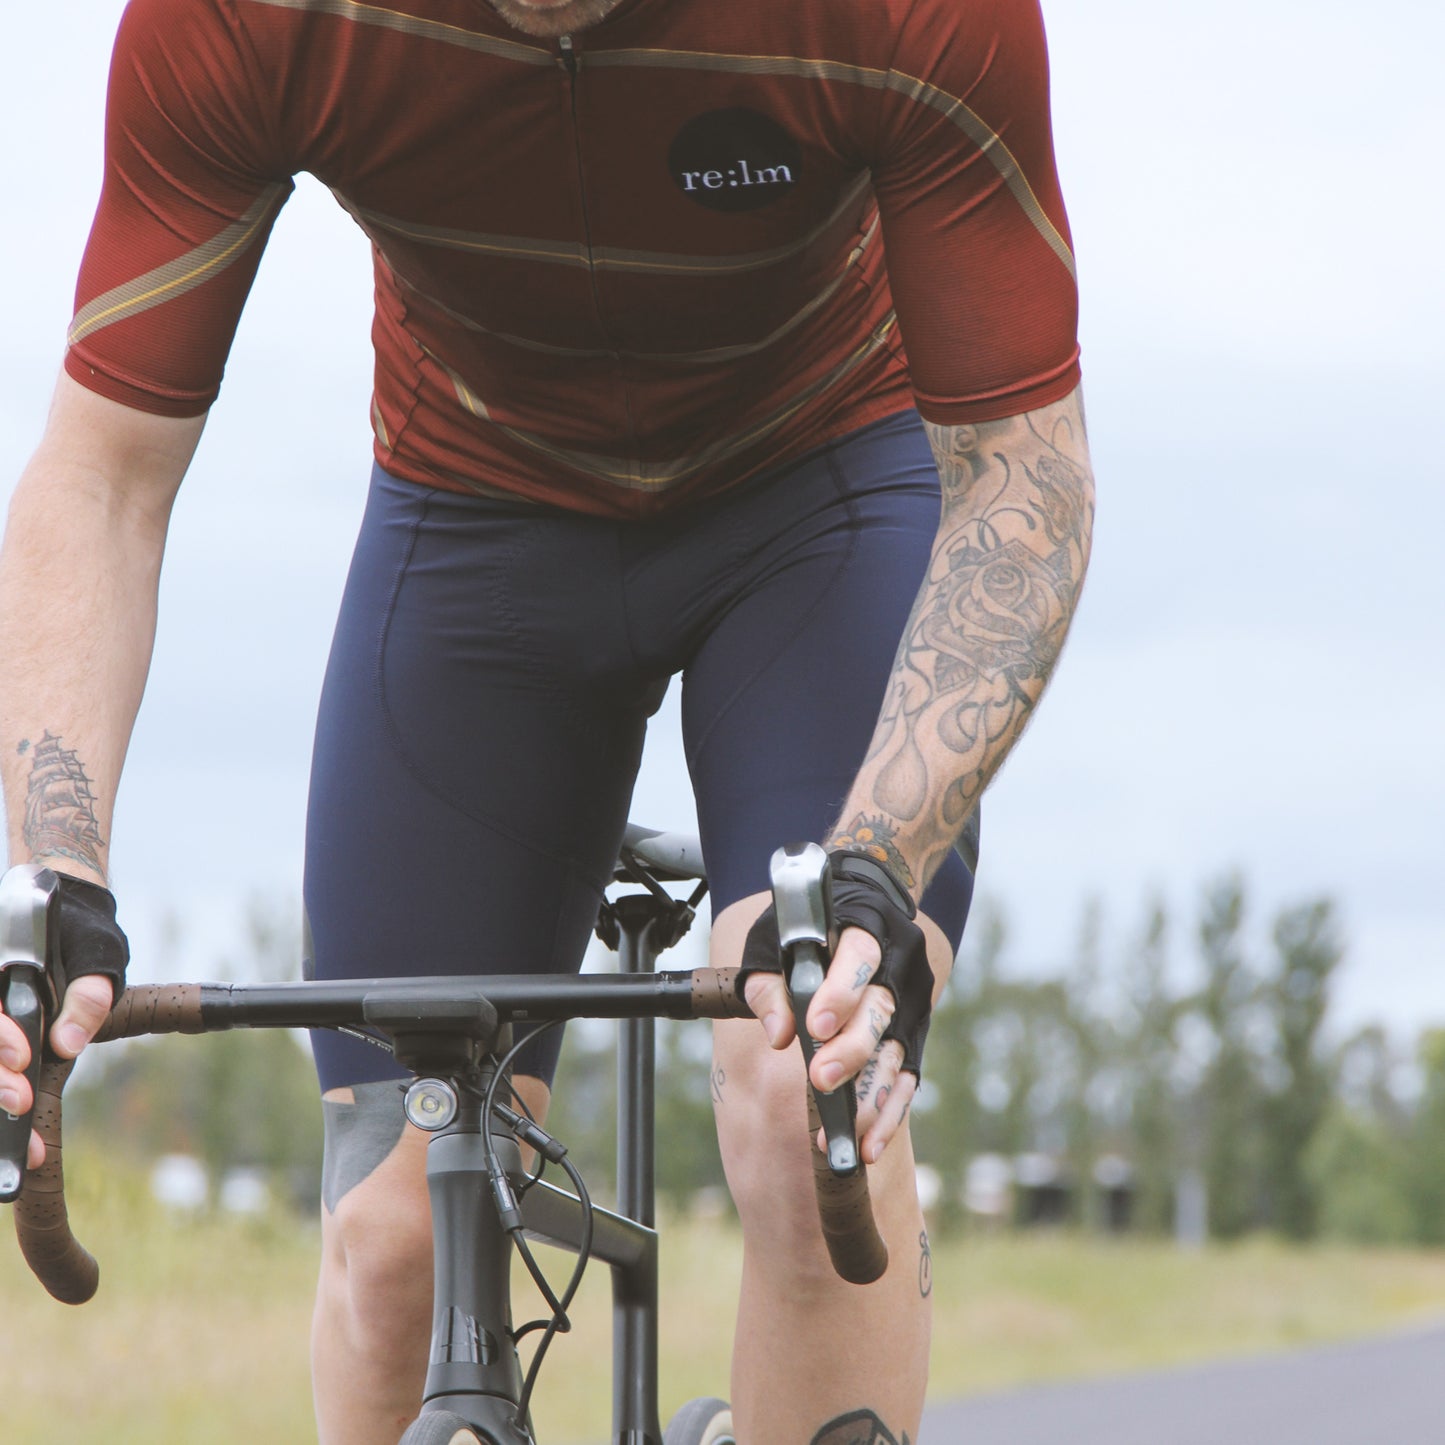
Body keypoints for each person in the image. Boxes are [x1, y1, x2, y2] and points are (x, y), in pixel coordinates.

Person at [0, 0, 1094, 1440]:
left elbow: (1021, 474)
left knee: (797, 1087)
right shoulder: (255, 19)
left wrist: (878, 860)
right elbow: (101, 479)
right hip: (478, 521)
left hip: (819, 496)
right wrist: (51, 874)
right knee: (398, 1231)